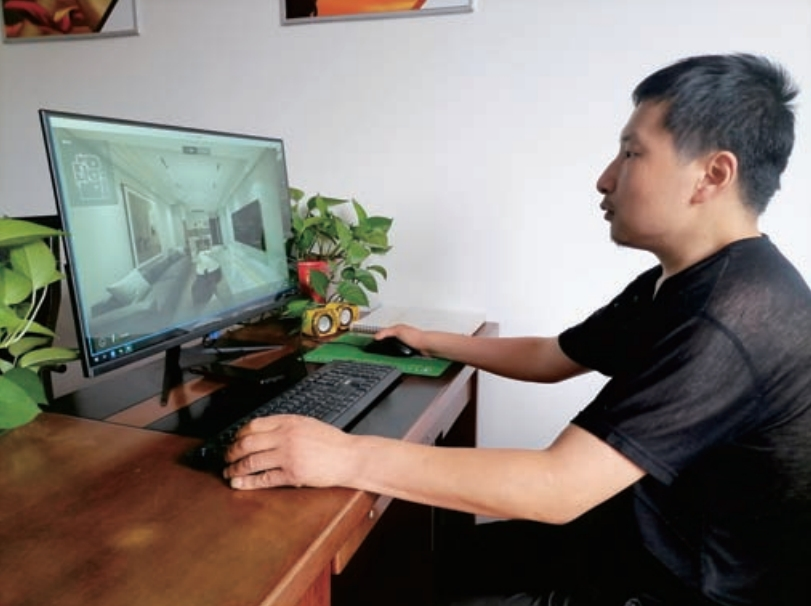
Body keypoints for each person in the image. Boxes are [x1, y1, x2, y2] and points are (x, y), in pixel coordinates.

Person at [223, 53, 811, 606]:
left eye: (632, 154)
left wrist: (343, 455)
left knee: (389, 574)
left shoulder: (732, 315)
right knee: (409, 562)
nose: (605, 179)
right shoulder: (691, 279)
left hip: (672, 587)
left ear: (712, 174)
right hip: (628, 541)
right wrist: (429, 340)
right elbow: (552, 356)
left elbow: (558, 488)